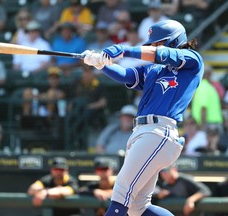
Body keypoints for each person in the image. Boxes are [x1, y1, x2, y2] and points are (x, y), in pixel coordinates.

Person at [82, 19, 204, 216]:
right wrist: (100, 64)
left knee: (121, 190)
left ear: (174, 40)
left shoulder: (192, 59)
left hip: (159, 131)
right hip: (143, 132)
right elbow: (126, 76)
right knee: (137, 208)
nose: (154, 47)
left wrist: (124, 50)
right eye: (153, 43)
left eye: (158, 42)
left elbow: (162, 54)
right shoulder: (153, 70)